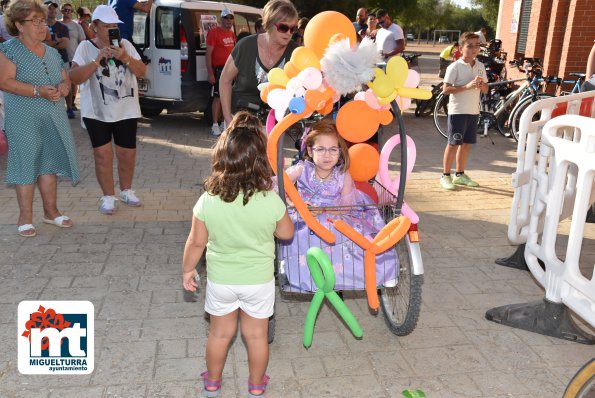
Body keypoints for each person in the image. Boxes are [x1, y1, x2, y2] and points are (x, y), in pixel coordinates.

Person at [182, 111, 293, 397]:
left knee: (219, 334)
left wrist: (187, 270)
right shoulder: (271, 200)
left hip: (222, 280)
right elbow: (287, 234)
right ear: (262, 160)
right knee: (256, 336)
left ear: (222, 156)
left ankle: (212, 383)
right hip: (258, 282)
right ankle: (256, 386)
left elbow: (196, 242)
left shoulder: (208, 199)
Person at [277, 119, 397, 291]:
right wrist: (294, 202)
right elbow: (279, 186)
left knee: (353, 237)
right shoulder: (302, 170)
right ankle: (309, 276)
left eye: (333, 149)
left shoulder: (343, 175)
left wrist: (325, 210)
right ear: (310, 151)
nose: (327, 155)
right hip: (305, 217)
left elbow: (347, 206)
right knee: (297, 235)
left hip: (336, 215)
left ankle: (380, 272)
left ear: (340, 151)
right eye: (321, 149)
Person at [0, 0, 80, 237]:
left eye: (42, 20)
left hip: (52, 115)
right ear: (18, 25)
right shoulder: (9, 50)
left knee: (49, 163)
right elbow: (4, 81)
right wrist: (38, 91)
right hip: (23, 117)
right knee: (25, 163)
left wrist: (64, 87)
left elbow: (65, 77)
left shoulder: (53, 52)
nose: (41, 25)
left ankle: (51, 212)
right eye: (34, 21)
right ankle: (24, 218)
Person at [69, 5, 146, 214]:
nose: (112, 29)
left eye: (115, 26)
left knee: (126, 154)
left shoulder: (126, 45)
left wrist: (125, 57)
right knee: (103, 155)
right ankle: (108, 196)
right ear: (95, 26)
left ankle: (127, 190)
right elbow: (74, 78)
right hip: (96, 112)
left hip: (126, 110)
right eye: (107, 26)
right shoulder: (85, 47)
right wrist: (96, 60)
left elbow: (142, 72)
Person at [220, 0, 298, 125]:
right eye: (284, 27)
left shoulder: (295, 52)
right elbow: (225, 80)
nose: (289, 33)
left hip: (274, 125)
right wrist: (228, 118)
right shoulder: (245, 46)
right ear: (270, 24)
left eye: (293, 28)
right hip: (239, 120)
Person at [440, 32, 487, 190]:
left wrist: (482, 86)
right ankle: (445, 176)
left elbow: (486, 89)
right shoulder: (454, 66)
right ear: (461, 48)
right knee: (453, 144)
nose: (474, 49)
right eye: (470, 46)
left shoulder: (480, 66)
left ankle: (459, 175)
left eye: (477, 45)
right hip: (458, 112)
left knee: (466, 144)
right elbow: (445, 89)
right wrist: (467, 86)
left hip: (473, 112)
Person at [206, 8, 236, 137]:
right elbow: (208, 55)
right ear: (221, 19)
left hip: (231, 69)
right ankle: (214, 125)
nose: (228, 20)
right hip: (218, 70)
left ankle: (225, 124)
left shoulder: (232, 34)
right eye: (226, 18)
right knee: (218, 98)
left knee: (228, 97)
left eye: (231, 18)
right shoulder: (214, 33)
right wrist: (210, 73)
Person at [60, 3, 85, 119]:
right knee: (63, 82)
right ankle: (66, 106)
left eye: (69, 10)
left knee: (71, 82)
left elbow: (82, 42)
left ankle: (71, 104)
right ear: (61, 11)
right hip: (59, 58)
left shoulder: (76, 26)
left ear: (72, 12)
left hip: (73, 58)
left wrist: (81, 57)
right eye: (65, 10)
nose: (67, 12)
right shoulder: (57, 24)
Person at [43, 1, 69, 65]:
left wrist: (47, 44)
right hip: (47, 63)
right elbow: (38, 44)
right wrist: (57, 41)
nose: (52, 10)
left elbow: (65, 45)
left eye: (54, 8)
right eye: (50, 8)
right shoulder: (40, 27)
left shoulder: (63, 27)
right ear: (44, 11)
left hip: (63, 62)